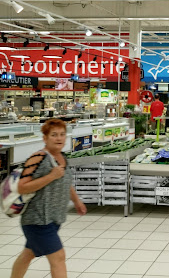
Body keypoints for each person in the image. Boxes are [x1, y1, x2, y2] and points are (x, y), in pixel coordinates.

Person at [10, 118, 87, 278]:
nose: (59, 138)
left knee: (27, 255)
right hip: (37, 220)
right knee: (58, 258)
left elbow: (65, 182)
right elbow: (21, 187)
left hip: (53, 219)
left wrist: (76, 200)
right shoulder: (37, 158)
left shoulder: (62, 157)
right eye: (54, 135)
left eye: (62, 134)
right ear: (45, 138)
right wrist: (51, 176)